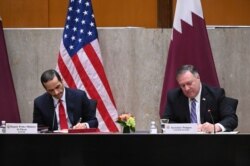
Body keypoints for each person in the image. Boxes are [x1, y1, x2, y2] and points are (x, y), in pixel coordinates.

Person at [162, 64, 238, 133]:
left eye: (189, 83)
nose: (186, 88)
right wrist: (188, 128)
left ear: (198, 78)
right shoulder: (174, 96)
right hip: (184, 142)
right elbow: (166, 121)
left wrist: (216, 127)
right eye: (182, 85)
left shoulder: (216, 94)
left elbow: (231, 118)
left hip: (211, 143)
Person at [33, 69, 98, 131]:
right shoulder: (39, 103)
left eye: (57, 87)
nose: (56, 92)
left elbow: (94, 122)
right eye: (51, 90)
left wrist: (84, 125)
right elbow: (38, 128)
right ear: (46, 89)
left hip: (77, 139)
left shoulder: (79, 96)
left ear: (62, 80)